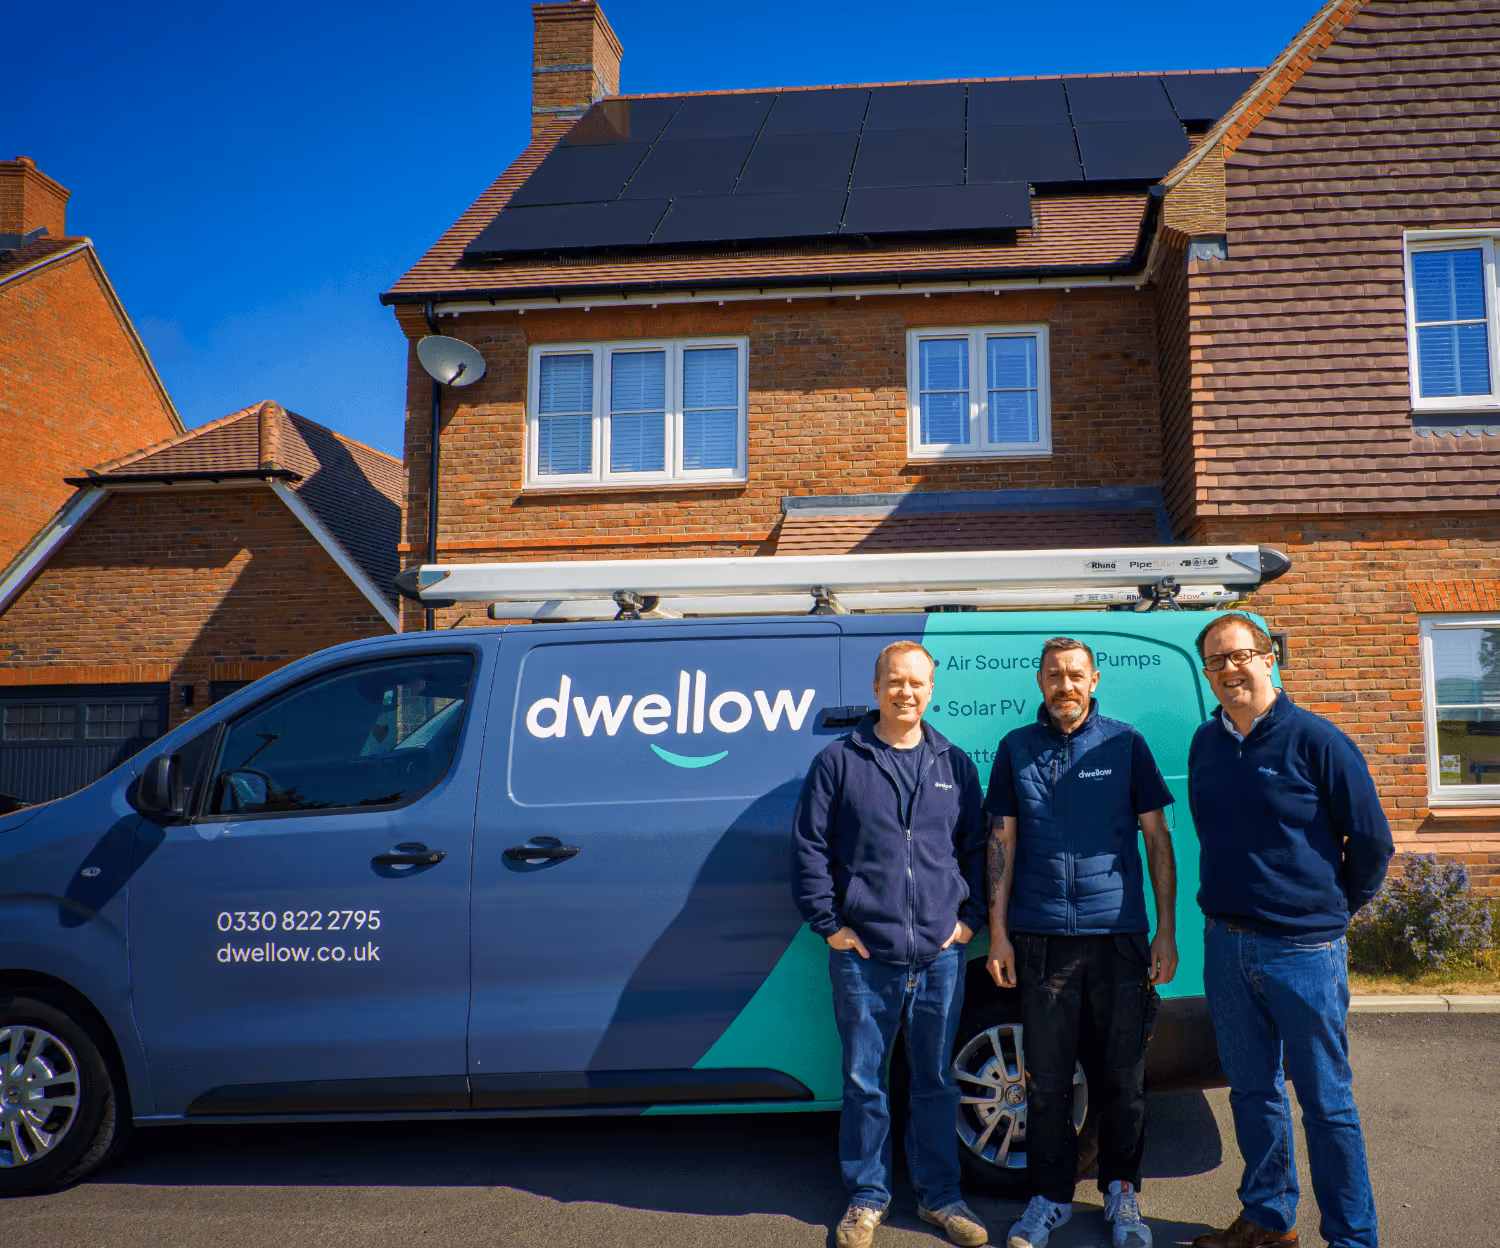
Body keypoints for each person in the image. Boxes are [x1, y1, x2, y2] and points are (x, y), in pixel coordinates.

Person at [1187, 613, 1392, 1248]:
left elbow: (1373, 843)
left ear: (1269, 658)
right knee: (1251, 1095)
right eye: (1216, 661)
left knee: (1327, 1105)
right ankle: (1269, 1220)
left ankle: (1351, 1237)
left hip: (1303, 950)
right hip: (1226, 946)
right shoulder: (1207, 743)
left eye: (1241, 655)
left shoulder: (1317, 740)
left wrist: (1328, 915)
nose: (1230, 669)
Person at [792, 640, 989, 1248]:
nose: (907, 692)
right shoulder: (840, 761)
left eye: (917, 683)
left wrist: (969, 921)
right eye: (895, 682)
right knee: (864, 1080)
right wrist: (830, 924)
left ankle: (941, 1197)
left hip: (940, 956)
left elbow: (978, 847)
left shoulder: (953, 763)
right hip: (865, 957)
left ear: (931, 690)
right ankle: (868, 1197)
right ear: (876, 688)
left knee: (935, 1080)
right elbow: (808, 848)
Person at [984, 637, 1178, 1248]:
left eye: (1075, 674)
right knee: (1044, 1081)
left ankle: (1123, 1197)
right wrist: (998, 935)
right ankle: (1049, 1199)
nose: (1064, 685)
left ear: (1094, 680)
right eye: (1053, 675)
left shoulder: (1125, 744)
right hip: (1040, 939)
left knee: (1122, 1077)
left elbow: (1157, 842)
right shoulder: (1016, 750)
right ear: (1039, 682)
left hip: (1118, 938)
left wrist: (1165, 933)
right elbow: (1001, 845)